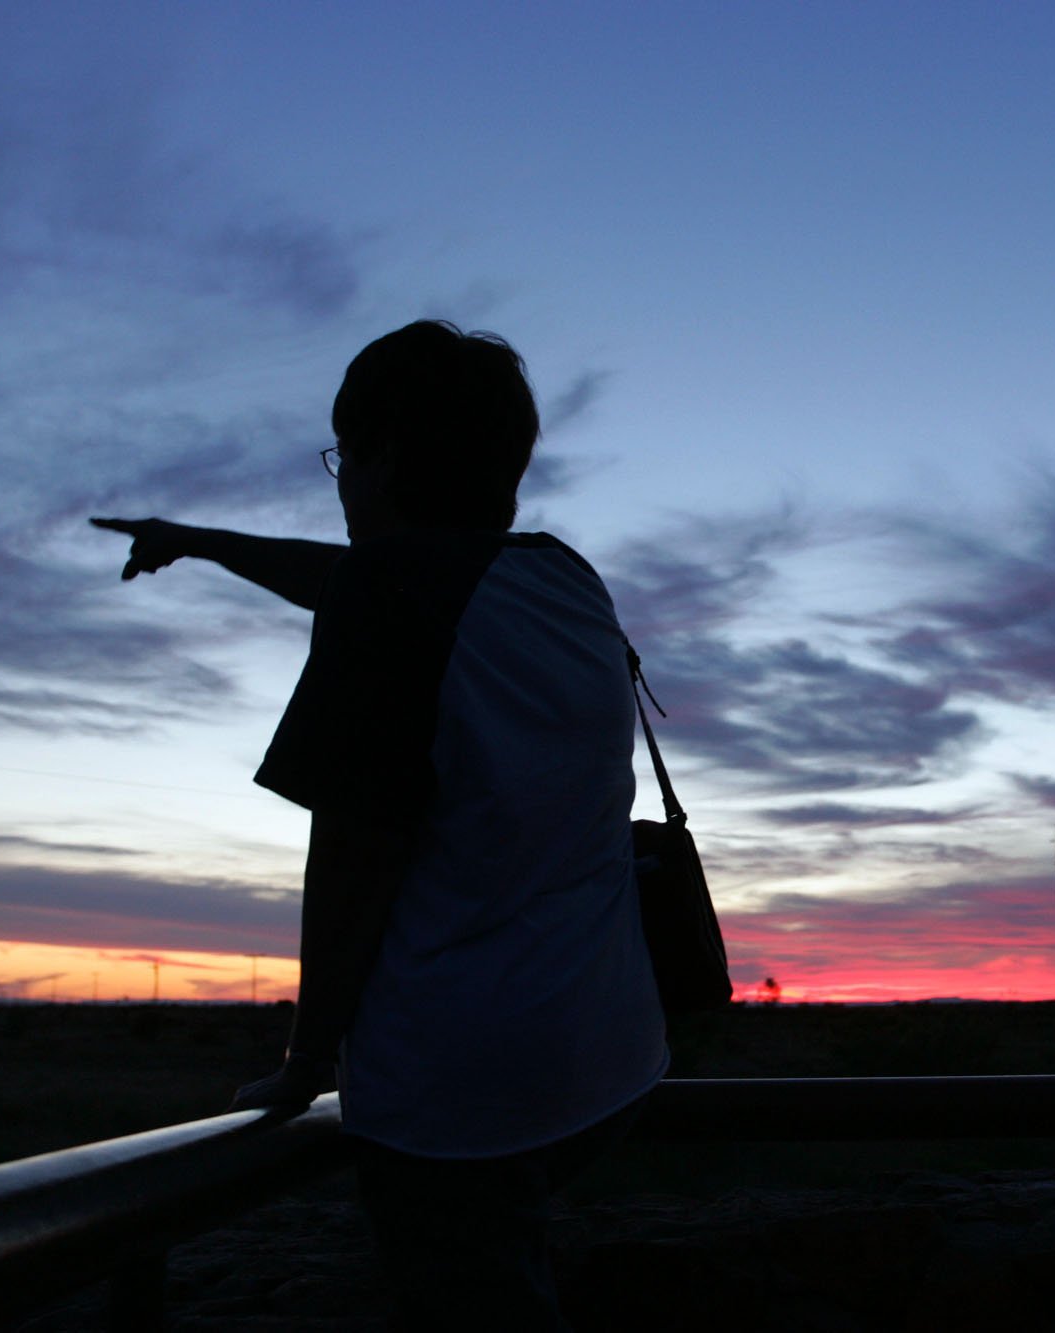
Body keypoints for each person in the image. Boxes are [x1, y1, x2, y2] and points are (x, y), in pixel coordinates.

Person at [94, 320, 668, 1330]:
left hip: (462, 1089)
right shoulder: (561, 577)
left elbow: (356, 859)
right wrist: (204, 543)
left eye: (343, 456)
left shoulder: (390, 609)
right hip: (606, 1055)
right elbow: (367, 581)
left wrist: (306, 1063)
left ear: (385, 454)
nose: (340, 482)